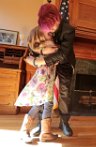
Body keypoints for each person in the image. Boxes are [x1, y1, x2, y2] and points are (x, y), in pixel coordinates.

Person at [26, 3, 76, 137]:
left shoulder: (69, 30)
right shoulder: (40, 28)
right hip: (48, 67)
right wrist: (41, 52)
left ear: (58, 18)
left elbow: (62, 54)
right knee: (44, 93)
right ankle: (42, 124)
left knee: (65, 94)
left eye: (53, 27)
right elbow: (33, 48)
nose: (51, 32)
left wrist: (38, 61)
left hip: (65, 64)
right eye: (48, 29)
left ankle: (64, 122)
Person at [15, 26, 58, 143]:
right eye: (48, 32)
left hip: (50, 81)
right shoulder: (44, 47)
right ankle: (24, 130)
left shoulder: (49, 44)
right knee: (38, 105)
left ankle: (46, 133)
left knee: (48, 104)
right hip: (42, 81)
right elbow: (51, 50)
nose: (51, 33)